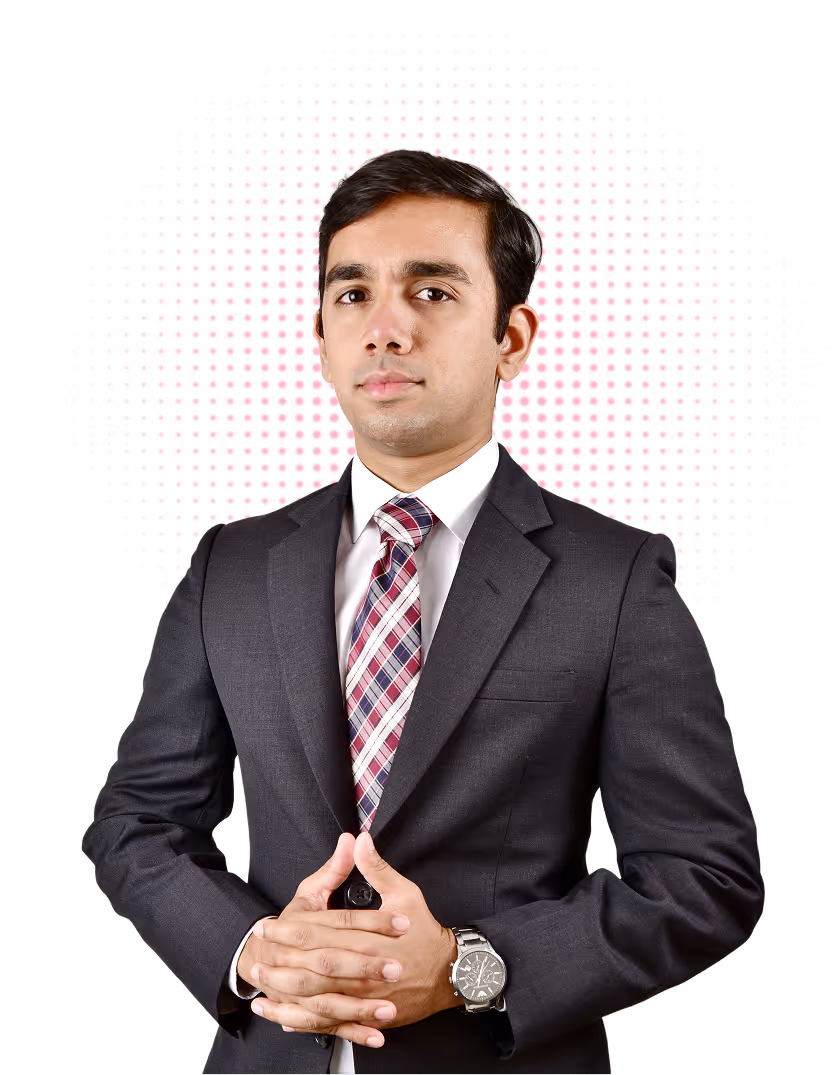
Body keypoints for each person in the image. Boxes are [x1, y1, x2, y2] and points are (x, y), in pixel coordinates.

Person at [81, 149, 764, 1074]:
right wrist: (249, 953)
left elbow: (704, 878)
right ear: (322, 333)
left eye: (433, 293)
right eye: (352, 294)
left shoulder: (615, 577)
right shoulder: (230, 565)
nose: (385, 328)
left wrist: (469, 968)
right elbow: (136, 820)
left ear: (513, 339)